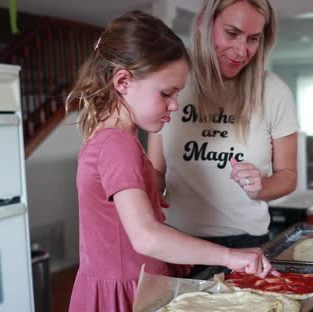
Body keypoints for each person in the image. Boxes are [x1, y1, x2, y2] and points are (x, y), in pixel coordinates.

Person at [66, 10, 275, 312]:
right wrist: (231, 257)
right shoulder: (117, 144)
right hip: (127, 295)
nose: (175, 105)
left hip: (136, 284)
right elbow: (145, 237)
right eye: (166, 93)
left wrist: (150, 195)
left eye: (177, 94)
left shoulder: (111, 138)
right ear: (123, 81)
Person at [147, 0, 299, 249]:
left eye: (253, 39)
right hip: (177, 240)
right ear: (202, 24)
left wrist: (262, 187)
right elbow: (157, 173)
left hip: (246, 242)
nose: (241, 52)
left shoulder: (273, 90)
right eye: (232, 33)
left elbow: (288, 176)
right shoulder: (174, 81)